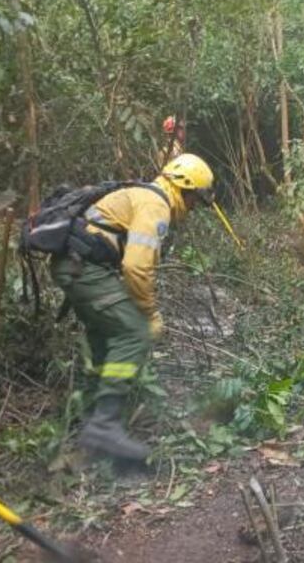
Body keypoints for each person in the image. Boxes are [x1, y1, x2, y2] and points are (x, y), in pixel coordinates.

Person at [50, 153, 214, 462]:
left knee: (103, 337)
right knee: (133, 333)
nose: (192, 209)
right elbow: (137, 268)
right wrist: (150, 315)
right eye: (195, 201)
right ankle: (104, 426)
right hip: (83, 268)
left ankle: (87, 421)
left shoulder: (145, 195)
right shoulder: (156, 206)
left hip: (74, 265)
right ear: (184, 188)